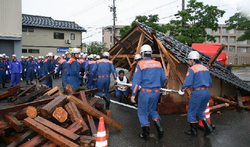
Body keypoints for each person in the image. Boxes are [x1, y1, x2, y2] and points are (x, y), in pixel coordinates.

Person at [131, 44, 167, 140]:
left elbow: (136, 82)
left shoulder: (140, 64)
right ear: (150, 53)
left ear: (142, 54)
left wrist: (133, 95)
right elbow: (164, 78)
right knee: (153, 111)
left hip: (145, 92)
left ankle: (146, 134)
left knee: (142, 113)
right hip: (156, 92)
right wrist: (160, 85)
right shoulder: (158, 64)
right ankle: (160, 129)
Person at [178, 51, 213, 136]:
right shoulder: (205, 68)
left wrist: (182, 90)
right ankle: (208, 128)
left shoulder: (192, 69)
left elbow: (188, 82)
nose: (189, 62)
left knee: (191, 112)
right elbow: (210, 82)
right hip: (206, 92)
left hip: (197, 93)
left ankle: (193, 131)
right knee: (200, 112)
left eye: (189, 60)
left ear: (193, 60)